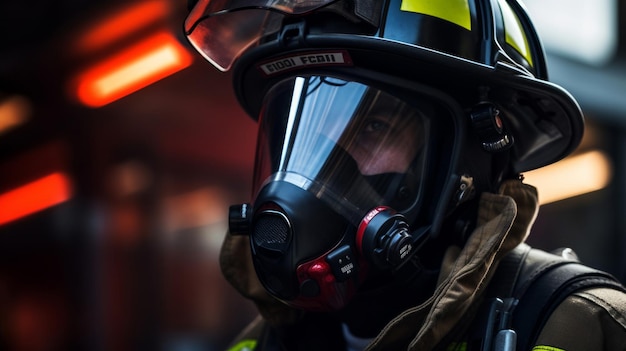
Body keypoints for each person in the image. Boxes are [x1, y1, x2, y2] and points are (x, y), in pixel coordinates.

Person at [184, 0, 626, 350]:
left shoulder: (578, 327)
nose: (316, 172)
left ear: (466, 168)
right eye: (307, 132)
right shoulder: (256, 343)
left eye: (374, 127)